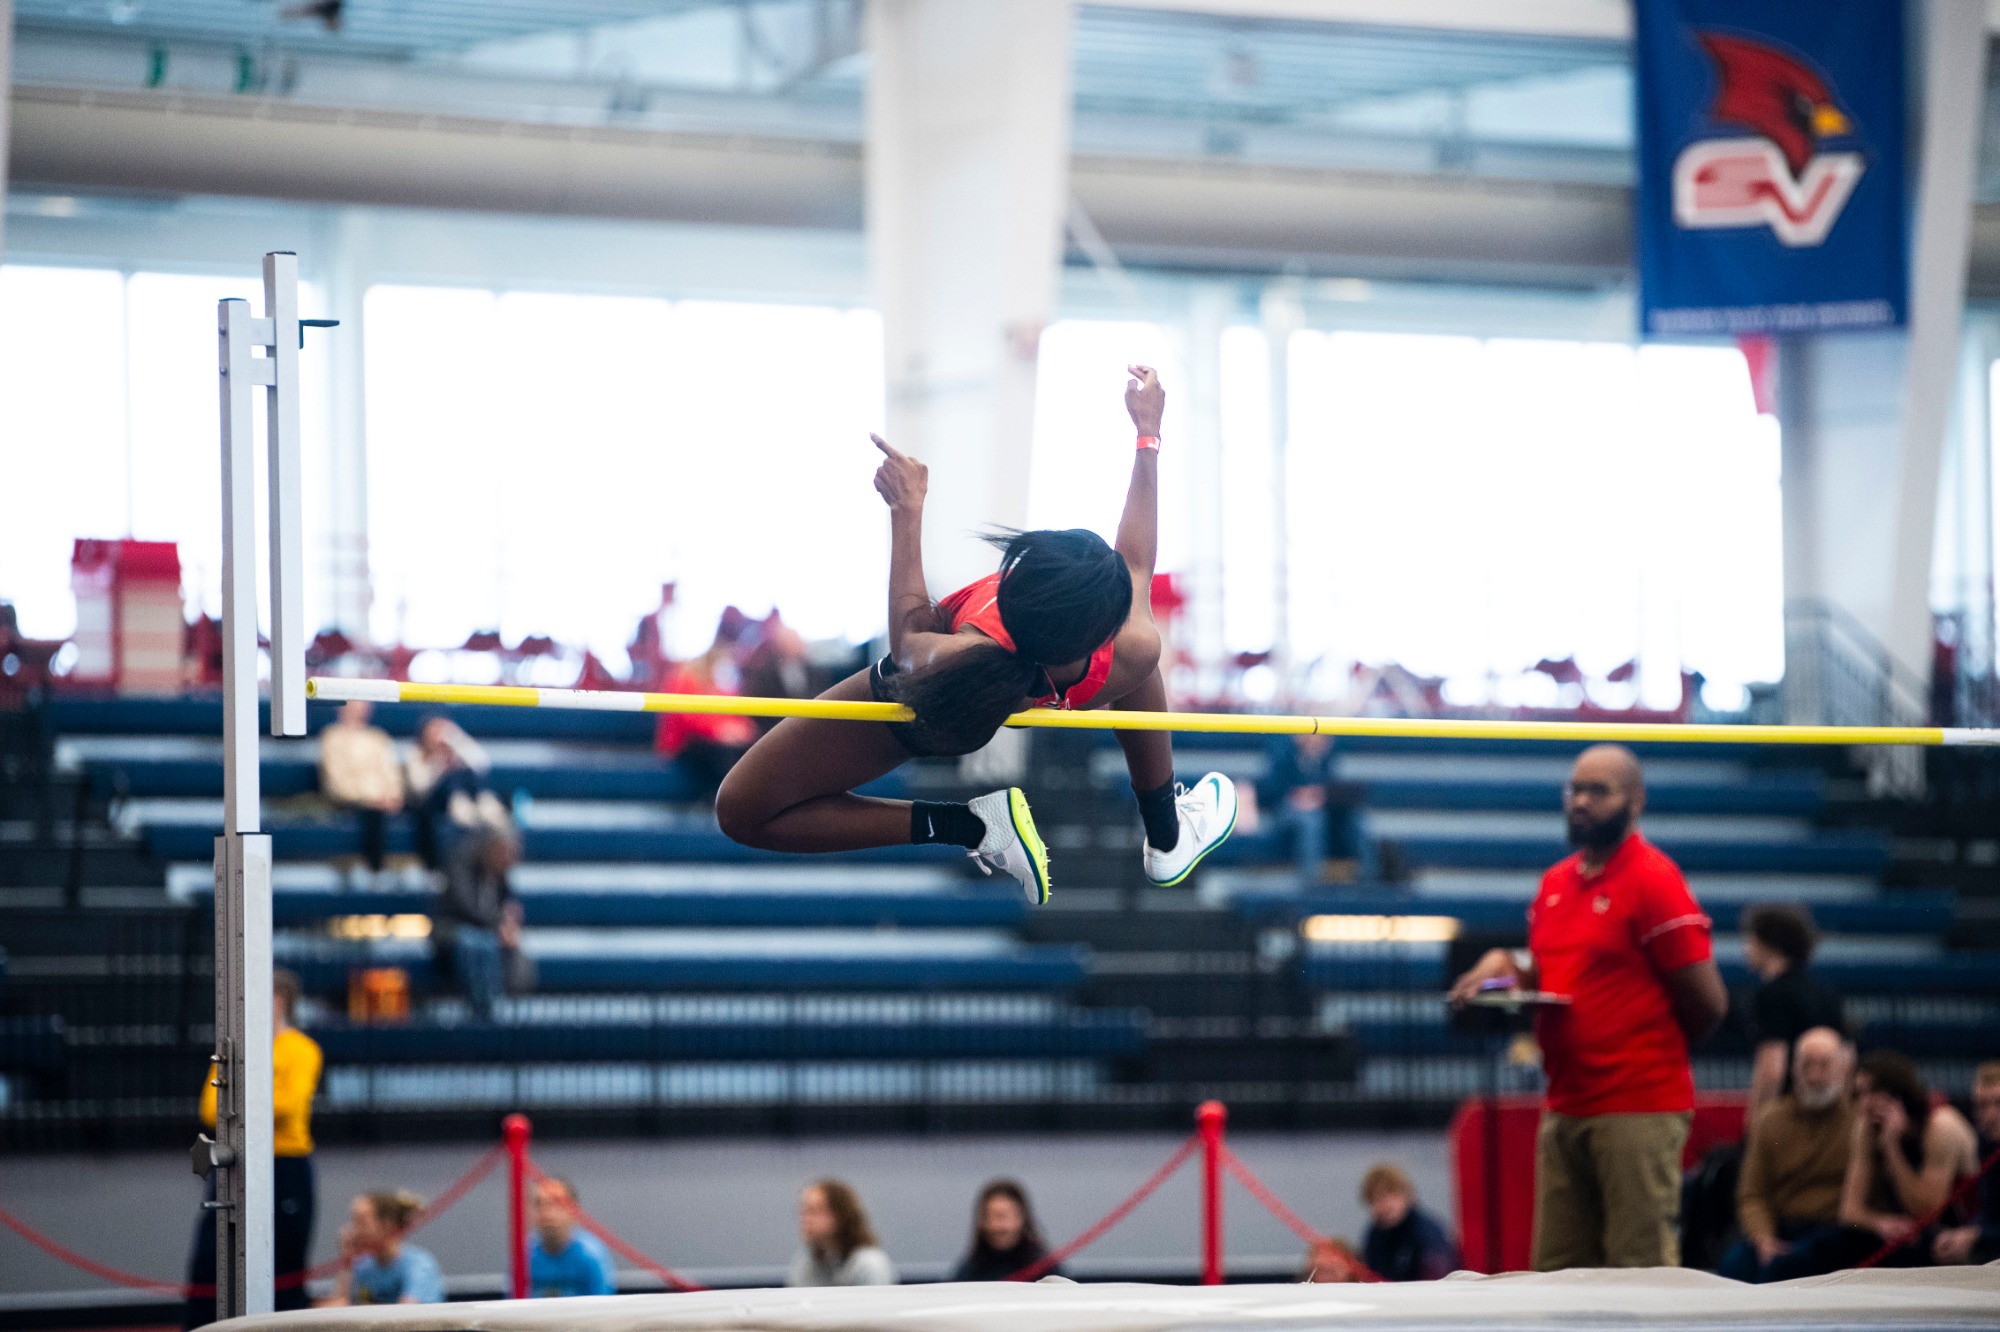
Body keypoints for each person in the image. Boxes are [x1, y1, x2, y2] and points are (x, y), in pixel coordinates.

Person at [716, 367, 1237, 904]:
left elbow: (909, 648)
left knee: (740, 811)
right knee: (1143, 662)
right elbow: (1135, 560)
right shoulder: (1124, 646)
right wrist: (1147, 435)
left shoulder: (969, 648)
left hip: (924, 701)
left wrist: (907, 511)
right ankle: (1166, 834)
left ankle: (972, 828)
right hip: (990, 701)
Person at [1448, 744, 1727, 1270]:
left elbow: (1709, 1003)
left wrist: (1643, 1052)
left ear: (1636, 800)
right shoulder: (1556, 883)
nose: (1580, 801)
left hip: (1636, 1105)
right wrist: (1502, 965)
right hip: (1566, 1103)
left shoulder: (1654, 880)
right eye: (1574, 789)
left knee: (1638, 1270)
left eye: (1597, 790)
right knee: (1557, 1270)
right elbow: (1549, 973)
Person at [184, 970, 321, 1329]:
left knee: (286, 1265)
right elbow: (207, 1108)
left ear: (278, 1001)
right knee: (209, 1262)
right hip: (235, 1164)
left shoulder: (301, 1049)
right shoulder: (231, 1049)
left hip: (286, 1166)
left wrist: (238, 1105)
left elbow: (288, 1107)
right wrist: (258, 1105)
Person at [1718, 1027, 1856, 1282]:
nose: (1814, 1075)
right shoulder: (1771, 1119)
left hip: (1836, 1232)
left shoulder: (1860, 1120)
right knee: (1731, 1269)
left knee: (1787, 1268)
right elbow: (1752, 1194)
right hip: (1780, 1229)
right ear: (1793, 1069)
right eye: (1807, 1065)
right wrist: (1764, 1239)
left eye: (1824, 1065)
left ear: (1845, 1068)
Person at [1836, 1049, 1980, 1267]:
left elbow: (1928, 1213)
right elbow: (1849, 1211)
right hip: (1906, 1233)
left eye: (1872, 1093)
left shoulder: (1940, 1125)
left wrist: (1893, 1148)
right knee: (1827, 1247)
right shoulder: (1867, 1127)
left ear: (1897, 1094)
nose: (1864, 1105)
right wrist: (1880, 1223)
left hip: (1953, 1235)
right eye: (1859, 1094)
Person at [1740, 903, 1846, 1131]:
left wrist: (1756, 1121)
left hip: (1790, 1112)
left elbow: (1772, 1069)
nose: (1745, 949)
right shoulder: (1825, 992)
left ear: (1769, 944)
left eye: (1750, 940)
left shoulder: (1771, 995)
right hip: (1827, 1108)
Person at [655, 610, 759, 799]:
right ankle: (728, 801)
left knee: (751, 750)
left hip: (714, 742)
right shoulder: (685, 677)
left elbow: (734, 711)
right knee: (722, 755)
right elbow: (687, 717)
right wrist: (720, 731)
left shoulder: (724, 682)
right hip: (686, 744)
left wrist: (742, 728)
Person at [433, 825, 530, 1019]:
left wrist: (508, 923)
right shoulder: (460, 862)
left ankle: (493, 1005)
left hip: (484, 934)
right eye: (505, 852)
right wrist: (499, 923)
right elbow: (467, 908)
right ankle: (482, 1010)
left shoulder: (501, 874)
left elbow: (506, 908)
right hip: (451, 932)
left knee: (494, 944)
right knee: (478, 943)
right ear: (493, 848)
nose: (508, 860)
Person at [318, 699, 402, 873]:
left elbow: (391, 772)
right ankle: (375, 872)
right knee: (374, 815)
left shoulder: (378, 737)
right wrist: (371, 798)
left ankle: (431, 871)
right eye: (356, 702)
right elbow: (336, 781)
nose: (361, 707)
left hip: (382, 799)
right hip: (350, 801)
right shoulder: (332, 737)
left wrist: (393, 796)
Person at [404, 715, 497, 868]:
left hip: (461, 799)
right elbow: (419, 788)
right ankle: (464, 806)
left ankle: (479, 805)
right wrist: (438, 764)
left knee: (462, 774)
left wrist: (455, 738)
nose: (437, 738)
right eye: (432, 733)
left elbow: (482, 764)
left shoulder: (455, 750)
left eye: (441, 732)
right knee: (451, 779)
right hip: (431, 804)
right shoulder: (415, 754)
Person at [320, 1191, 445, 1306]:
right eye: (353, 1221)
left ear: (387, 1225)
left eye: (361, 1222)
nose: (352, 1231)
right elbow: (337, 1308)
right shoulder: (362, 1267)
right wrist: (346, 1262)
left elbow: (404, 1320)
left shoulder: (420, 1266)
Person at [1932, 1060, 2000, 1265]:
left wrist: (1976, 1235)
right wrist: (1967, 1232)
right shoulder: (1987, 1143)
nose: (1990, 1116)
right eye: (1981, 1105)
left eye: (1999, 1104)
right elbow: (1991, 1210)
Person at [1358, 1163, 1458, 1281]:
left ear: (1407, 1195)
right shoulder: (1374, 1235)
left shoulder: (1426, 1233)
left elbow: (1439, 1279)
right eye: (1377, 1198)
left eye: (1392, 1195)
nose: (1386, 1204)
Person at [787, 1179, 897, 1286]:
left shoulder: (869, 1265)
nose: (805, 1219)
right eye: (803, 1212)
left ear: (840, 1215)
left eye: (814, 1211)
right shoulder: (804, 1266)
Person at [528, 1176, 617, 1298]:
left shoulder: (591, 1256)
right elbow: (511, 1308)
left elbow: (603, 1310)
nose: (546, 1213)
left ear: (573, 1210)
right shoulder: (524, 1256)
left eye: (556, 1203)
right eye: (538, 1204)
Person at [952, 1179, 1057, 1281]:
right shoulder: (967, 1272)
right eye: (993, 1217)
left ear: (1022, 1218)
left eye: (1005, 1216)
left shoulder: (1045, 1269)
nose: (1000, 1227)